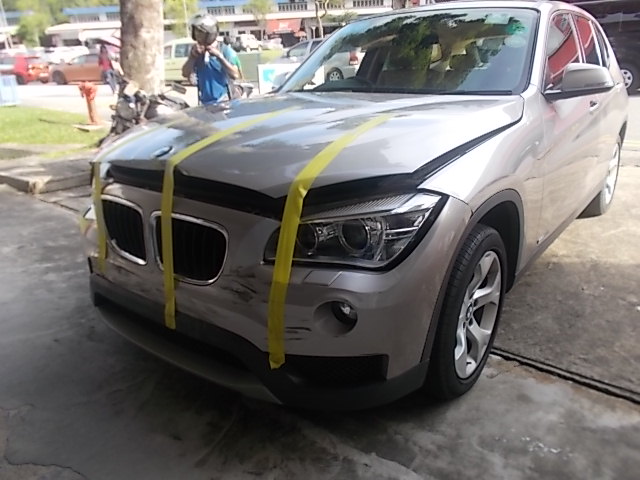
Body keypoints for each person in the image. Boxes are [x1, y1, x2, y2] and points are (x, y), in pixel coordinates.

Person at [182, 13, 240, 105]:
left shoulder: (225, 50)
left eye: (200, 32)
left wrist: (219, 57)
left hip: (225, 101)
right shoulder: (196, 52)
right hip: (205, 103)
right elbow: (185, 73)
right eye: (195, 31)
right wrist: (192, 57)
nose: (197, 34)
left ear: (209, 33)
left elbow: (235, 75)